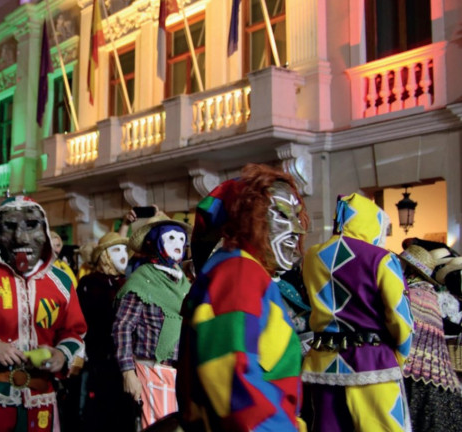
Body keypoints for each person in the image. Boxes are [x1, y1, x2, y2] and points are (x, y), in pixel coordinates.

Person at [176, 163, 308, 432]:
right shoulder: (238, 271)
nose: (297, 229)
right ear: (249, 216)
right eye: (283, 215)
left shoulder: (247, 271)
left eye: (297, 216)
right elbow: (230, 377)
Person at [0, 195, 87, 431]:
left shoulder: (61, 281)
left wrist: (62, 354)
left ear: (45, 230)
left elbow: (75, 331)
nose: (21, 237)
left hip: (41, 398)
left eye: (31, 225)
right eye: (9, 226)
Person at [301, 192, 414, 432]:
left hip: (323, 364)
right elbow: (400, 317)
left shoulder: (311, 257)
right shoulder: (381, 259)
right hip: (373, 363)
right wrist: (399, 356)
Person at [112, 213, 192, 429]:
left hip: (178, 374)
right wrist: (128, 372)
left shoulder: (183, 282)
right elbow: (122, 327)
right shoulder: (142, 280)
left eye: (181, 239)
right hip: (151, 370)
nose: (177, 244)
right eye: (170, 238)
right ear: (157, 242)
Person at [397, 244, 462, 431]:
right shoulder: (426, 292)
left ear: (410, 269)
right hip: (430, 365)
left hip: (420, 368)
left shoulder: (416, 294)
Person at [77, 232, 134, 431]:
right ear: (104, 256)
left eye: (125, 250)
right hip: (98, 359)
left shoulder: (128, 283)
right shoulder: (89, 283)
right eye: (116, 250)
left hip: (124, 360)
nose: (123, 255)